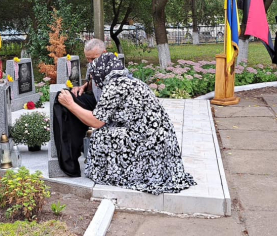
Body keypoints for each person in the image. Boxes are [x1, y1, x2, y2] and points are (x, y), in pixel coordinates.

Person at [57, 53, 196, 195]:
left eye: (94, 76)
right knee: (109, 131)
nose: (94, 81)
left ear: (101, 72)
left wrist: (70, 104)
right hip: (160, 141)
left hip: (149, 143)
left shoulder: (115, 86)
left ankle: (115, 174)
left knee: (101, 135)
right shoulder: (127, 80)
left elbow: (96, 121)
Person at [52, 39, 106, 177]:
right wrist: (84, 87)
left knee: (70, 104)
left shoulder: (114, 69)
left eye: (94, 58)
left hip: (109, 108)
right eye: (88, 59)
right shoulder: (92, 65)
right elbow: (92, 83)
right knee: (62, 98)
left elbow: (101, 118)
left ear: (104, 53)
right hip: (96, 100)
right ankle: (69, 159)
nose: (91, 62)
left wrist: (72, 103)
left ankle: (80, 149)